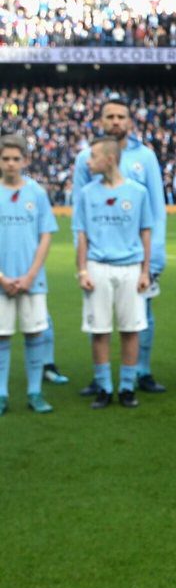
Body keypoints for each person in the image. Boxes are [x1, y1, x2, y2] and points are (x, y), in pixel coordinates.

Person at [75, 96, 168, 395]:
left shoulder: (147, 157)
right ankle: (100, 379)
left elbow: (156, 208)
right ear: (100, 121)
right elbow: (80, 214)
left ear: (130, 120)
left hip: (136, 258)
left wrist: (154, 258)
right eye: (110, 116)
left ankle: (141, 371)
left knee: (143, 315)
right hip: (99, 258)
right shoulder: (85, 159)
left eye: (121, 116)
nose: (115, 121)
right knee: (99, 321)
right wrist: (82, 263)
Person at [74, 137, 152, 409]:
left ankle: (127, 388)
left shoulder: (138, 192)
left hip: (130, 267)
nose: (88, 161)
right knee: (99, 330)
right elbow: (81, 234)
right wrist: (82, 269)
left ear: (109, 159)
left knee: (130, 330)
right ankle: (105, 388)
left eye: (92, 155)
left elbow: (145, 232)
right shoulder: (86, 193)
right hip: (97, 267)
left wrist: (146, 271)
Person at [0, 135, 58, 415]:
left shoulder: (36, 192)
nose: (11, 164)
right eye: (5, 159)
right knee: (1, 338)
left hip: (33, 281)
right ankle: (1, 393)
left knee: (36, 334)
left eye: (15, 158)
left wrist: (30, 275)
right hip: (1, 282)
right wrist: (2, 278)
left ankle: (35, 391)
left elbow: (46, 236)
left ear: (25, 160)